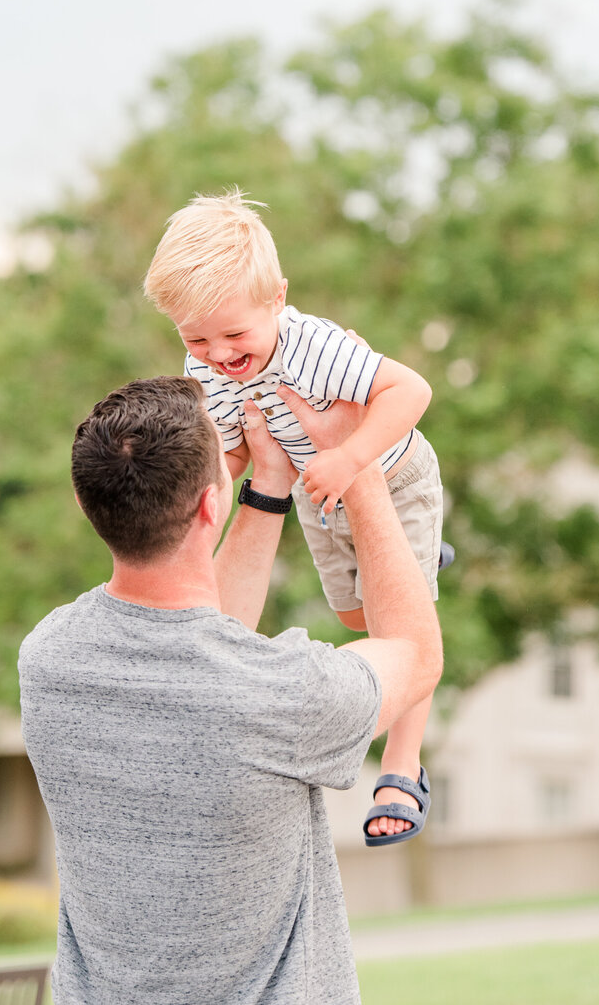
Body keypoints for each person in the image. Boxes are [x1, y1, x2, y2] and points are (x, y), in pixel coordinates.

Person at [19, 375, 442, 1004]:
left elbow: (205, 638)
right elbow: (416, 654)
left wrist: (267, 486)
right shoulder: (280, 695)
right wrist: (361, 467)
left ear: (86, 504)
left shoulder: (49, 658)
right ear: (211, 506)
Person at [144, 189, 450, 844]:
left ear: (276, 298)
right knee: (351, 615)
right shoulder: (211, 370)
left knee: (404, 623)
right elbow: (227, 451)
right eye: (194, 337)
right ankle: (422, 565)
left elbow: (411, 390)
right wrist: (196, 510)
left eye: (233, 333)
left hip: (391, 479)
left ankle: (402, 764)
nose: (219, 352)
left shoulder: (313, 347)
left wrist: (351, 453)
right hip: (320, 492)